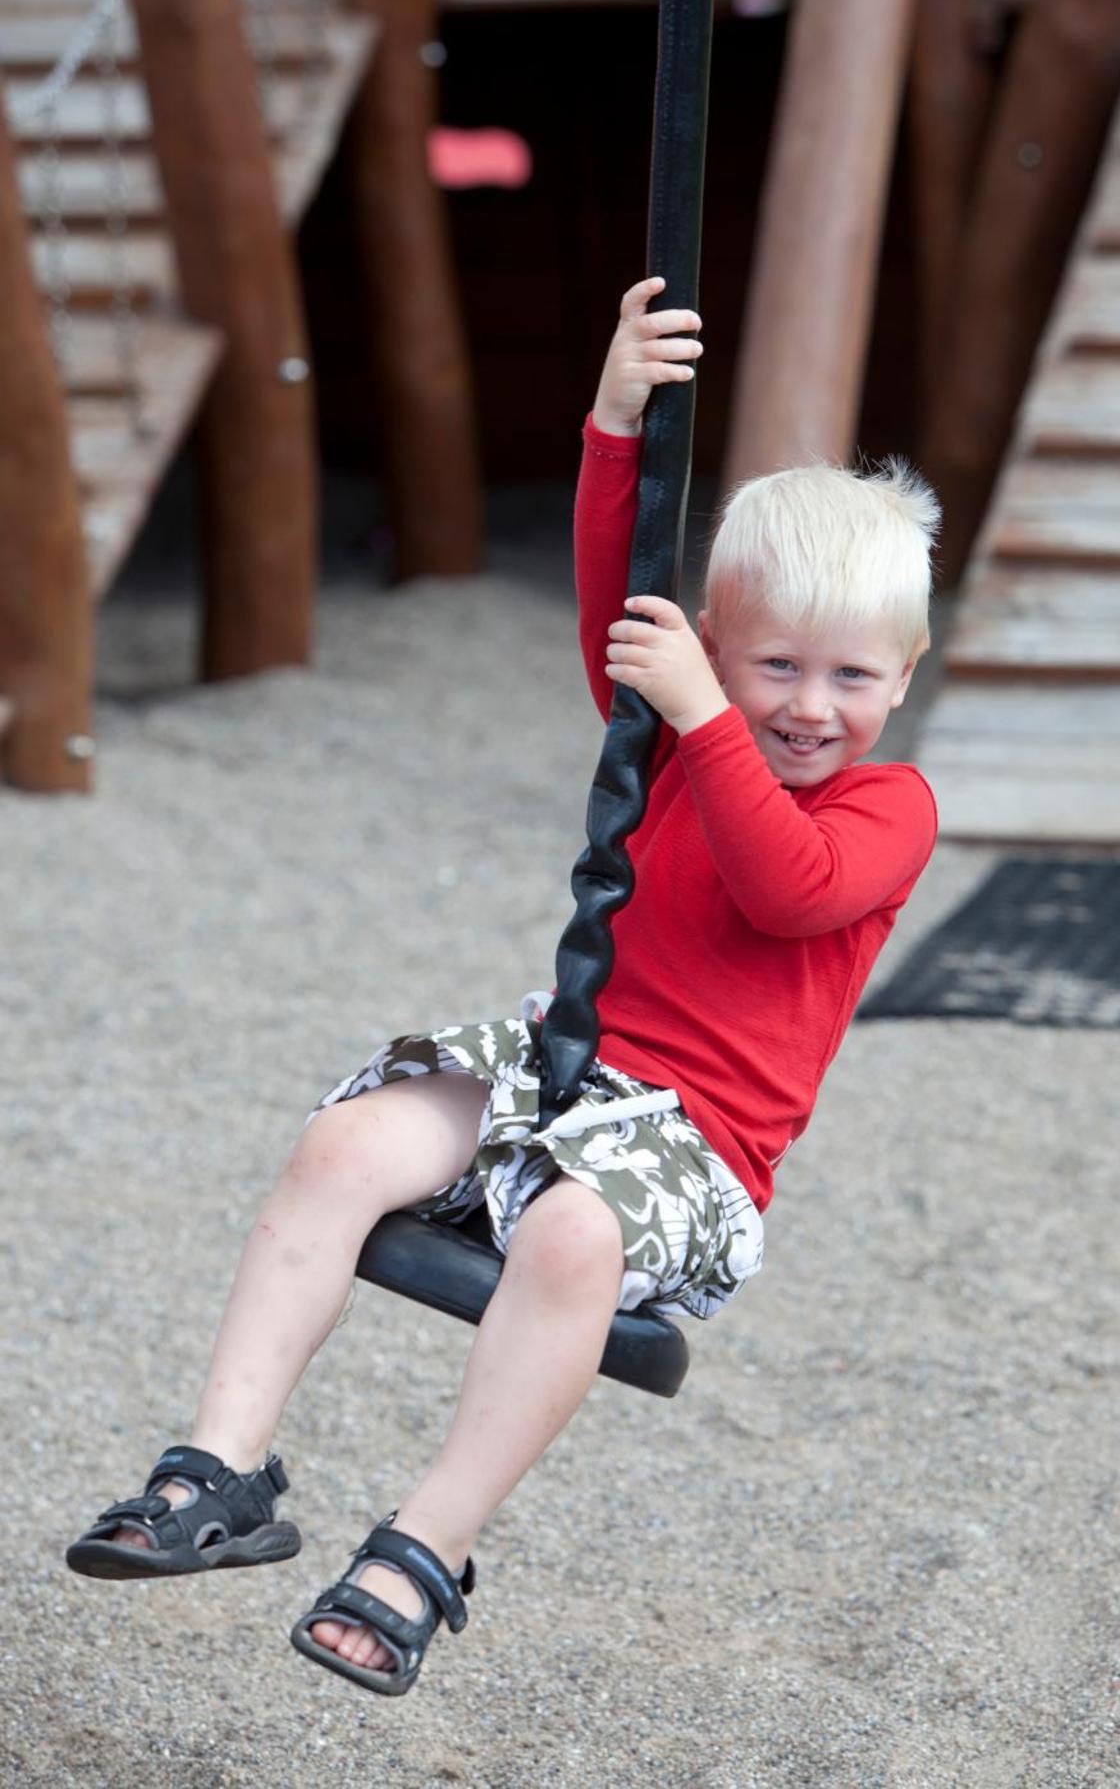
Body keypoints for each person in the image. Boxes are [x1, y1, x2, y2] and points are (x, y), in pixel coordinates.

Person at [66, 278, 940, 1697]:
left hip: (693, 1147)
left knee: (576, 1239)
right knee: (348, 1141)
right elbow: (619, 588)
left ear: (902, 676)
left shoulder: (887, 808)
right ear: (718, 642)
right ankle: (219, 1470)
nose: (807, 704)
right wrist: (612, 415)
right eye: (774, 663)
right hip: (565, 1060)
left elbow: (784, 885)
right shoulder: (683, 727)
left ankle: (424, 1546)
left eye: (851, 674)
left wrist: (702, 712)